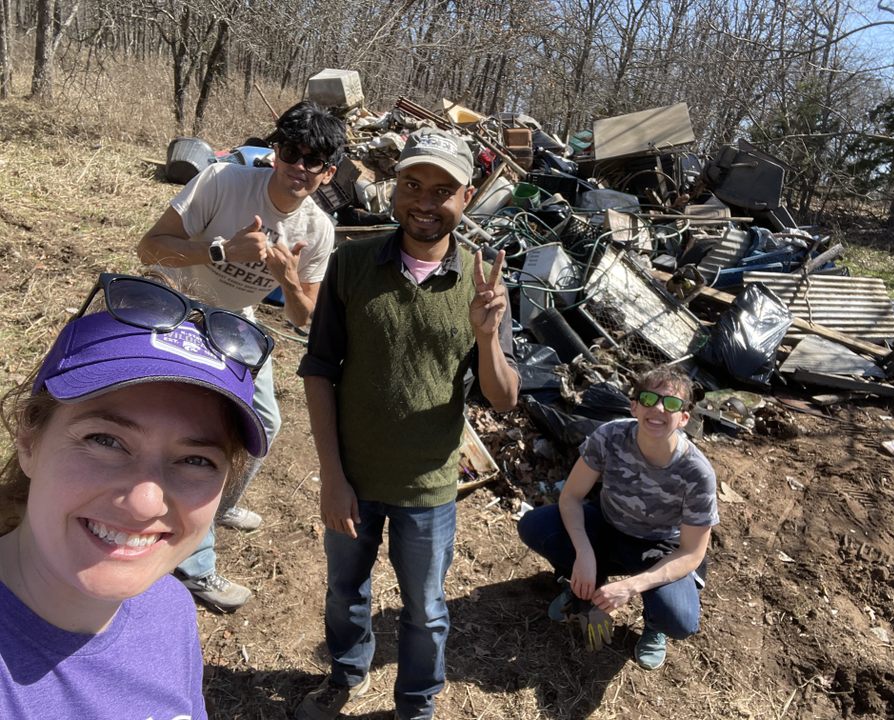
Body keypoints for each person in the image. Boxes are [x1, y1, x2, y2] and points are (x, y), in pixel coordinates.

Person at [296, 127, 520, 720]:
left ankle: (416, 706)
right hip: (354, 476)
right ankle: (347, 675)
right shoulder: (351, 264)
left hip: (428, 485)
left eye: (442, 190)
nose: (424, 201)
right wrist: (331, 477)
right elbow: (319, 370)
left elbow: (502, 398)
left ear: (466, 198)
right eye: (413, 185)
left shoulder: (483, 282)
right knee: (346, 591)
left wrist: (487, 334)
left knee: (425, 609)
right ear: (395, 188)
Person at [0, 273, 271, 718]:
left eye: (196, 460)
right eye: (105, 441)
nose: (146, 502)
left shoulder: (169, 607)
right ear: (29, 440)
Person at [138, 100, 346, 610]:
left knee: (267, 423)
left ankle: (220, 503)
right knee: (204, 431)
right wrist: (220, 251)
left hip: (238, 321)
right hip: (180, 306)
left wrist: (288, 280)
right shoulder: (222, 182)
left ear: (328, 172)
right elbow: (149, 249)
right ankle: (194, 565)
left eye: (314, 159)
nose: (300, 166)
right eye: (292, 152)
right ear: (275, 153)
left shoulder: (317, 230)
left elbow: (304, 316)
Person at [517, 364, 718, 670]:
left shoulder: (697, 472)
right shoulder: (610, 436)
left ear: (684, 418)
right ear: (634, 406)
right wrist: (583, 554)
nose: (659, 409)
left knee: (680, 620)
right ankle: (582, 587)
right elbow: (570, 497)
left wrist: (631, 587)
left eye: (672, 403)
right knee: (534, 526)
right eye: (650, 399)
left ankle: (654, 625)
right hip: (607, 525)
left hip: (658, 546)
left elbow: (692, 552)